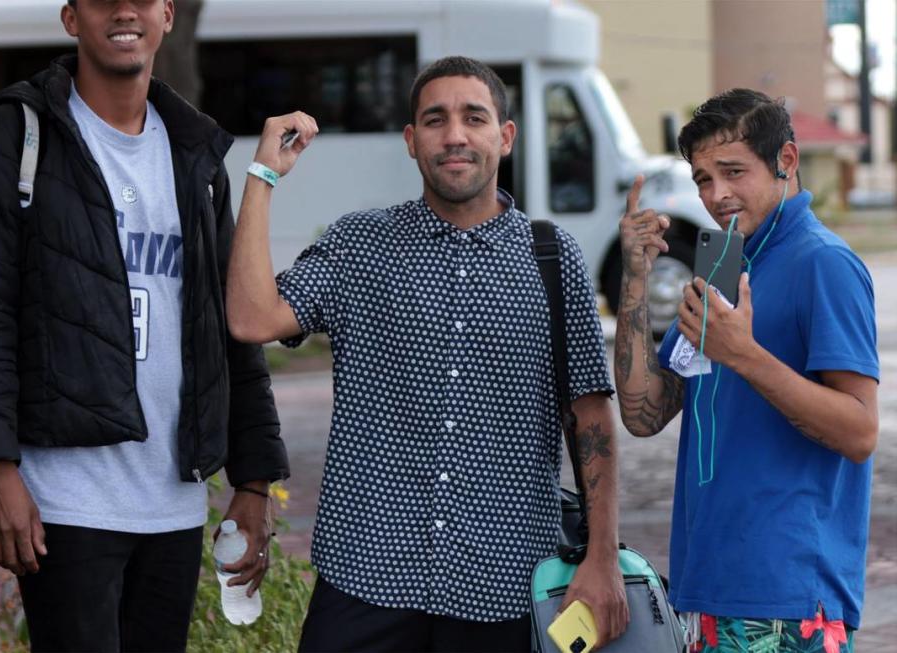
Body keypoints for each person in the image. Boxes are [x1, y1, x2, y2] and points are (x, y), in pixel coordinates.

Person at [225, 55, 628, 652]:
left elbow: (591, 416)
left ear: (505, 137)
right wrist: (263, 173)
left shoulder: (553, 258)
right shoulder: (360, 243)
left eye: (475, 117)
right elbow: (253, 316)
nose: (456, 135)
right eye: (435, 120)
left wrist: (602, 558)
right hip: (366, 576)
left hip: (505, 582)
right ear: (413, 142)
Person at [0, 1, 288, 650]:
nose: (122, 10)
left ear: (166, 16)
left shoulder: (197, 155)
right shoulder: (13, 136)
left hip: (173, 505)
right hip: (64, 502)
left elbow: (229, 324)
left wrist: (252, 478)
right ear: (72, 18)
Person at [614, 89, 879, 652]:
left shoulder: (824, 263)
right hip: (707, 585)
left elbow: (859, 432)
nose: (717, 195)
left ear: (786, 160)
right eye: (703, 179)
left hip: (786, 599)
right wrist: (635, 277)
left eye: (733, 172)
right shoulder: (722, 257)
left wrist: (745, 356)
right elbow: (644, 414)